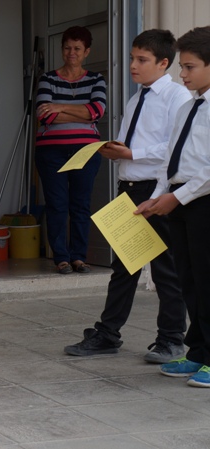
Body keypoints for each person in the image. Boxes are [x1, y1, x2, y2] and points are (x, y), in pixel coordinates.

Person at [64, 29, 190, 363]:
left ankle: (171, 339)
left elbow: (176, 147)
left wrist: (133, 153)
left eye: (142, 60)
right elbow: (130, 144)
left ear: (163, 63)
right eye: (132, 58)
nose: (133, 65)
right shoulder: (137, 98)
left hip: (157, 189)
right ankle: (107, 334)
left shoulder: (176, 97)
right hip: (130, 190)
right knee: (124, 266)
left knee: (165, 269)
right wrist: (114, 150)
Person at [137, 26, 210, 388]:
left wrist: (176, 198)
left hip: (203, 201)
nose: (182, 74)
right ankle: (198, 351)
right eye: (182, 66)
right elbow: (172, 159)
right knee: (189, 280)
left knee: (208, 281)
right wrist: (159, 194)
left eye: (190, 67)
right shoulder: (188, 106)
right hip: (179, 201)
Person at [35, 26, 107, 274]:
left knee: (80, 205)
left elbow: (97, 112)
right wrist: (82, 113)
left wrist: (60, 107)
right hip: (51, 152)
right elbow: (45, 116)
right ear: (62, 49)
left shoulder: (96, 79)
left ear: (87, 51)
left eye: (77, 48)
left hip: (86, 151)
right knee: (56, 204)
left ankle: (78, 257)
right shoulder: (48, 79)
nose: (71, 52)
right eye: (67, 47)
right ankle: (61, 258)